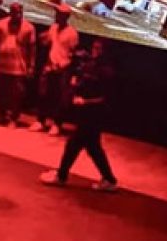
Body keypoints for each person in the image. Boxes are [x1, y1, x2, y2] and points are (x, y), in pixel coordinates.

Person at [40, 38, 119, 191]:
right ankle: (109, 179)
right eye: (94, 47)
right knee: (93, 148)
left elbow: (105, 98)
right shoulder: (92, 66)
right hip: (85, 114)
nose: (95, 51)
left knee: (74, 145)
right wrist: (77, 83)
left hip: (94, 115)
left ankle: (61, 176)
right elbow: (84, 83)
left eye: (99, 49)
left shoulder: (107, 71)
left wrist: (85, 101)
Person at [30, 3, 78, 135]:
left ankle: (57, 124)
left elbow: (72, 54)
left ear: (66, 16)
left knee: (59, 97)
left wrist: (63, 65)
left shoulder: (72, 33)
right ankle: (41, 121)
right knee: (44, 95)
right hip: (49, 66)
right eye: (57, 14)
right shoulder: (53, 28)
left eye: (60, 14)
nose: (57, 16)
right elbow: (48, 44)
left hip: (63, 68)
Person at [0, 1, 35, 126]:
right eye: (14, 12)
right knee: (1, 91)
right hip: (1, 64)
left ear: (22, 13)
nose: (17, 15)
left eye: (19, 13)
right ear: (10, 12)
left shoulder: (29, 27)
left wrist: (31, 66)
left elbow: (32, 49)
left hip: (18, 67)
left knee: (16, 94)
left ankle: (14, 118)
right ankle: (2, 114)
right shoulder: (1, 24)